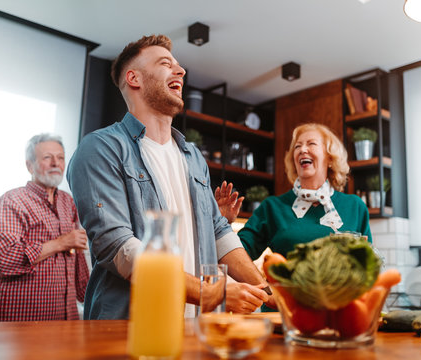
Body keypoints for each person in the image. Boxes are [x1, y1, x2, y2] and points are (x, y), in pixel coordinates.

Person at [67, 34, 270, 320]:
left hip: (193, 329)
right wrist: (211, 293)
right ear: (134, 78)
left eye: (178, 65)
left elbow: (218, 233)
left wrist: (266, 289)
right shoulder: (100, 148)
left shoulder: (193, 156)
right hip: (130, 327)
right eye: (165, 64)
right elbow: (118, 247)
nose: (181, 71)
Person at [229, 123, 372, 264]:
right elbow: (237, 257)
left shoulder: (355, 206)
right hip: (286, 288)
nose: (303, 150)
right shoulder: (272, 208)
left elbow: (368, 264)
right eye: (297, 146)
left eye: (311, 144)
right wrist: (223, 224)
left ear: (329, 158)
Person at [0, 133, 89, 321]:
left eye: (60, 158)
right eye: (47, 157)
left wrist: (89, 297)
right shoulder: (12, 201)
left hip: (65, 320)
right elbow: (6, 260)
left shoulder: (68, 202)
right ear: (29, 165)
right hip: (18, 324)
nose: (55, 163)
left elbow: (77, 257)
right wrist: (60, 243)